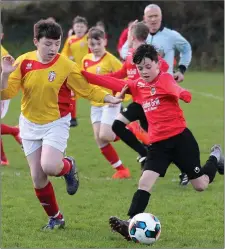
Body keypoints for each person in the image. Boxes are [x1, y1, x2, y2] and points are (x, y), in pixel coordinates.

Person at [81, 44, 224, 240]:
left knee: (200, 185)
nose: (145, 71)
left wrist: (182, 94)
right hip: (158, 145)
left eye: (148, 66)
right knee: (144, 182)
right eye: (140, 68)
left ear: (158, 64)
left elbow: (174, 88)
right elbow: (109, 81)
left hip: (181, 140)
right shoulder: (137, 85)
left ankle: (215, 157)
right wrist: (81, 74)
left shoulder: (164, 78)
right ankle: (129, 223)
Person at [0, 19, 122, 230]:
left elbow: (87, 89)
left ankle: (68, 166)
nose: (53, 48)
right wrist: (5, 74)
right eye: (48, 44)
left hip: (56, 122)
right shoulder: (24, 62)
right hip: (29, 123)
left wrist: (108, 98)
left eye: (57, 43)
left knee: (49, 166)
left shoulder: (65, 65)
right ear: (36, 41)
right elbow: (6, 92)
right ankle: (56, 217)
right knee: (38, 179)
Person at [121, 4, 192, 185]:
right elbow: (124, 54)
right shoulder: (139, 36)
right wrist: (130, 36)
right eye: (149, 16)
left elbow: (186, 48)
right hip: (142, 92)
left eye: (156, 16)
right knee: (154, 134)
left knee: (170, 135)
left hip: (163, 92)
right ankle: (150, 159)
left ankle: (185, 168)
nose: (153, 19)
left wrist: (181, 69)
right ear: (144, 18)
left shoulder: (171, 36)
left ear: (161, 17)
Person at [106, 21, 169, 168]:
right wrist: (106, 77)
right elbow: (123, 72)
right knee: (152, 139)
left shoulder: (145, 52)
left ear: (132, 36)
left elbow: (163, 67)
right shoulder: (130, 54)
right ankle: (145, 154)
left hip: (148, 102)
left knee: (120, 126)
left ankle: (182, 166)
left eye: (128, 33)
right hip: (139, 103)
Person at [82, 27, 130, 179]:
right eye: (92, 44)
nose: (95, 47)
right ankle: (122, 170)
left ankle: (130, 128)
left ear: (105, 42)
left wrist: (118, 97)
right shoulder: (86, 60)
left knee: (106, 135)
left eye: (98, 43)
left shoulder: (111, 60)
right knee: (99, 138)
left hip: (111, 102)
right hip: (95, 103)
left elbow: (125, 79)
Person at [62, 16, 89, 127]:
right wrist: (69, 58)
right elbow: (64, 53)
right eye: (77, 26)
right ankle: (72, 119)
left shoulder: (88, 38)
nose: (79, 28)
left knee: (99, 90)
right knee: (71, 93)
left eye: (82, 26)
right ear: (73, 27)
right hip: (75, 71)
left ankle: (117, 106)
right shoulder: (70, 40)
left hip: (89, 70)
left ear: (86, 28)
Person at [1, 25, 22, 166]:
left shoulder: (3, 53)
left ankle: (15, 131)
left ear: (1, 36)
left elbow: (7, 75)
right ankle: (2, 159)